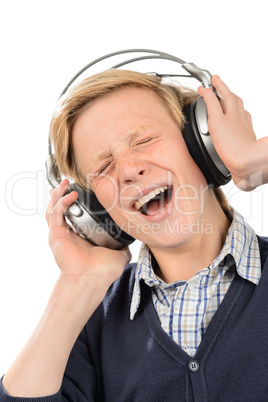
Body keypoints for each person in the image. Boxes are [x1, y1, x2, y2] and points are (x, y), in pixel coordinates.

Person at [1, 68, 268, 402]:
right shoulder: (91, 323)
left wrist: (253, 160)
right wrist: (76, 286)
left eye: (144, 140)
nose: (128, 170)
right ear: (96, 209)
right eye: (102, 168)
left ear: (204, 143)